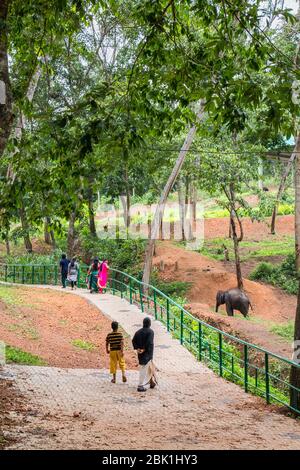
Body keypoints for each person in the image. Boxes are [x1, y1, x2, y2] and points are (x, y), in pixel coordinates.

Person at [132, 317, 157, 392]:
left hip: (140, 354)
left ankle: (152, 382)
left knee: (150, 368)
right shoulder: (151, 332)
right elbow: (149, 342)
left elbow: (133, 341)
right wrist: (144, 349)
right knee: (144, 369)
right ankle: (140, 385)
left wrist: (138, 348)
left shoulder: (137, 332)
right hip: (148, 354)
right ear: (149, 324)